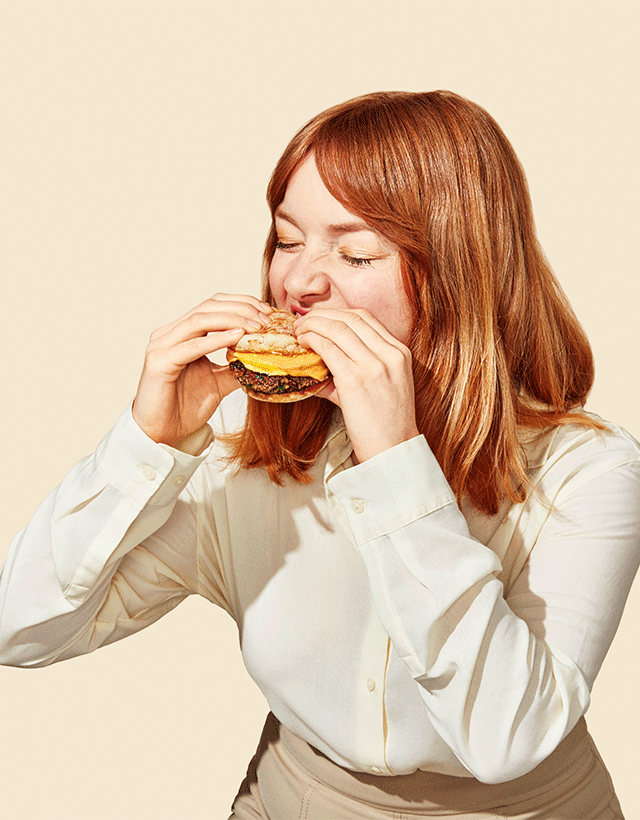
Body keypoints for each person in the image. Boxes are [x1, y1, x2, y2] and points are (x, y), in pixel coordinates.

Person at [1, 90, 638, 819]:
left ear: (461, 274)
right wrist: (146, 445)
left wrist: (395, 466)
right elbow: (20, 630)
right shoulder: (244, 449)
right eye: (286, 240)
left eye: (356, 252)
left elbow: (507, 738)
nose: (298, 283)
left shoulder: (591, 472)